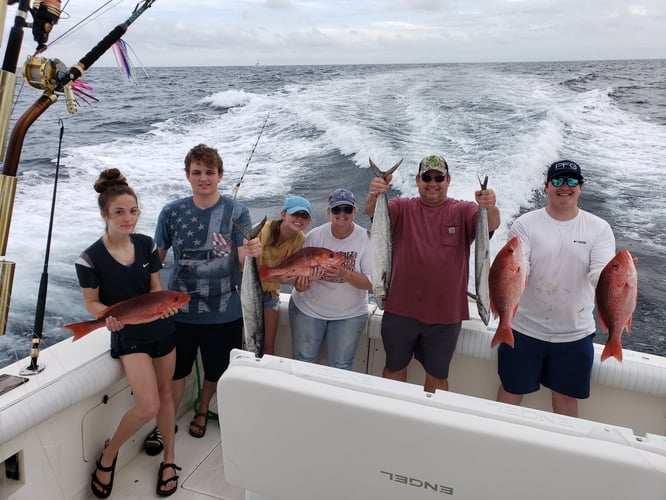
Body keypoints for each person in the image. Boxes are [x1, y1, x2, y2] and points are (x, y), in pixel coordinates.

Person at [75, 169, 181, 497]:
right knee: (147, 406)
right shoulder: (89, 258)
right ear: (104, 214)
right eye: (119, 212)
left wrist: (167, 307)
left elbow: (156, 289)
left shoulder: (147, 245)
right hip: (129, 335)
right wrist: (106, 318)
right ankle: (109, 455)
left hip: (162, 329)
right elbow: (92, 304)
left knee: (166, 396)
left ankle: (169, 459)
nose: (128, 218)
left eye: (133, 211)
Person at [149, 144, 262, 446]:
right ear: (187, 176)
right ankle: (166, 421)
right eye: (196, 172)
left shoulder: (238, 212)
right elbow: (155, 259)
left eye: (209, 172)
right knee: (176, 373)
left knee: (216, 369)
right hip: (179, 312)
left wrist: (252, 251)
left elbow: (241, 256)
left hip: (224, 312)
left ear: (220, 175)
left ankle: (202, 410)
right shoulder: (171, 212)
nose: (203, 178)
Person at [365, 155, 500, 393]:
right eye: (427, 177)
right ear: (417, 180)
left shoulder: (464, 210)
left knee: (437, 377)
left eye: (439, 178)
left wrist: (489, 206)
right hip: (399, 310)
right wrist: (375, 194)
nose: (432, 182)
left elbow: (489, 224)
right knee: (393, 368)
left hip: (445, 316)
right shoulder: (401, 207)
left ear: (448, 180)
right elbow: (373, 213)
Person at [496, 160, 615, 417]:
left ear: (581, 187)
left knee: (565, 399)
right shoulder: (525, 224)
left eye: (572, 181)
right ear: (546, 186)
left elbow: (600, 274)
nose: (564, 186)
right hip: (523, 329)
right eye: (558, 181)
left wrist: (619, 283)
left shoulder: (599, 229)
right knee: (510, 390)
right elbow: (518, 265)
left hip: (574, 334)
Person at [289, 188, 372, 370]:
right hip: (308, 309)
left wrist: (345, 274)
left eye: (347, 210)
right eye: (336, 210)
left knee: (341, 367)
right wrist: (301, 284)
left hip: (349, 314)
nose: (341, 214)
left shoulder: (365, 238)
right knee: (303, 362)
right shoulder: (314, 236)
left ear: (355, 212)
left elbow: (371, 283)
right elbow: (298, 275)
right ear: (329, 212)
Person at [257, 195, 313, 355]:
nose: (299, 219)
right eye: (295, 214)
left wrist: (301, 285)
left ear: (308, 221)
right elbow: (245, 270)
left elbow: (295, 272)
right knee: (250, 342)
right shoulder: (262, 230)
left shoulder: (300, 239)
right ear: (283, 214)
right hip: (246, 292)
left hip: (271, 295)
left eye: (304, 216)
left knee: (268, 347)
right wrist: (278, 278)